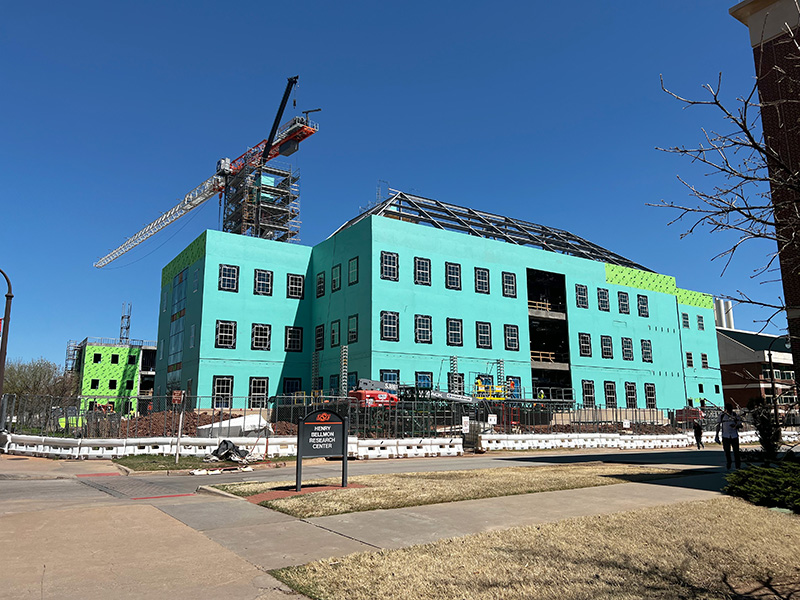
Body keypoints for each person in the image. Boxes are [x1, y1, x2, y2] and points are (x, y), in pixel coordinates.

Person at [715, 403, 743, 470]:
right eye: (728, 409)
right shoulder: (722, 416)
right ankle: (729, 463)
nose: (729, 411)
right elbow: (718, 425)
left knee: (736, 452)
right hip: (726, 436)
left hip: (734, 436)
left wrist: (736, 426)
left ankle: (737, 466)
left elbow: (741, 425)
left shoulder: (735, 416)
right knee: (727, 451)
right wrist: (716, 435)